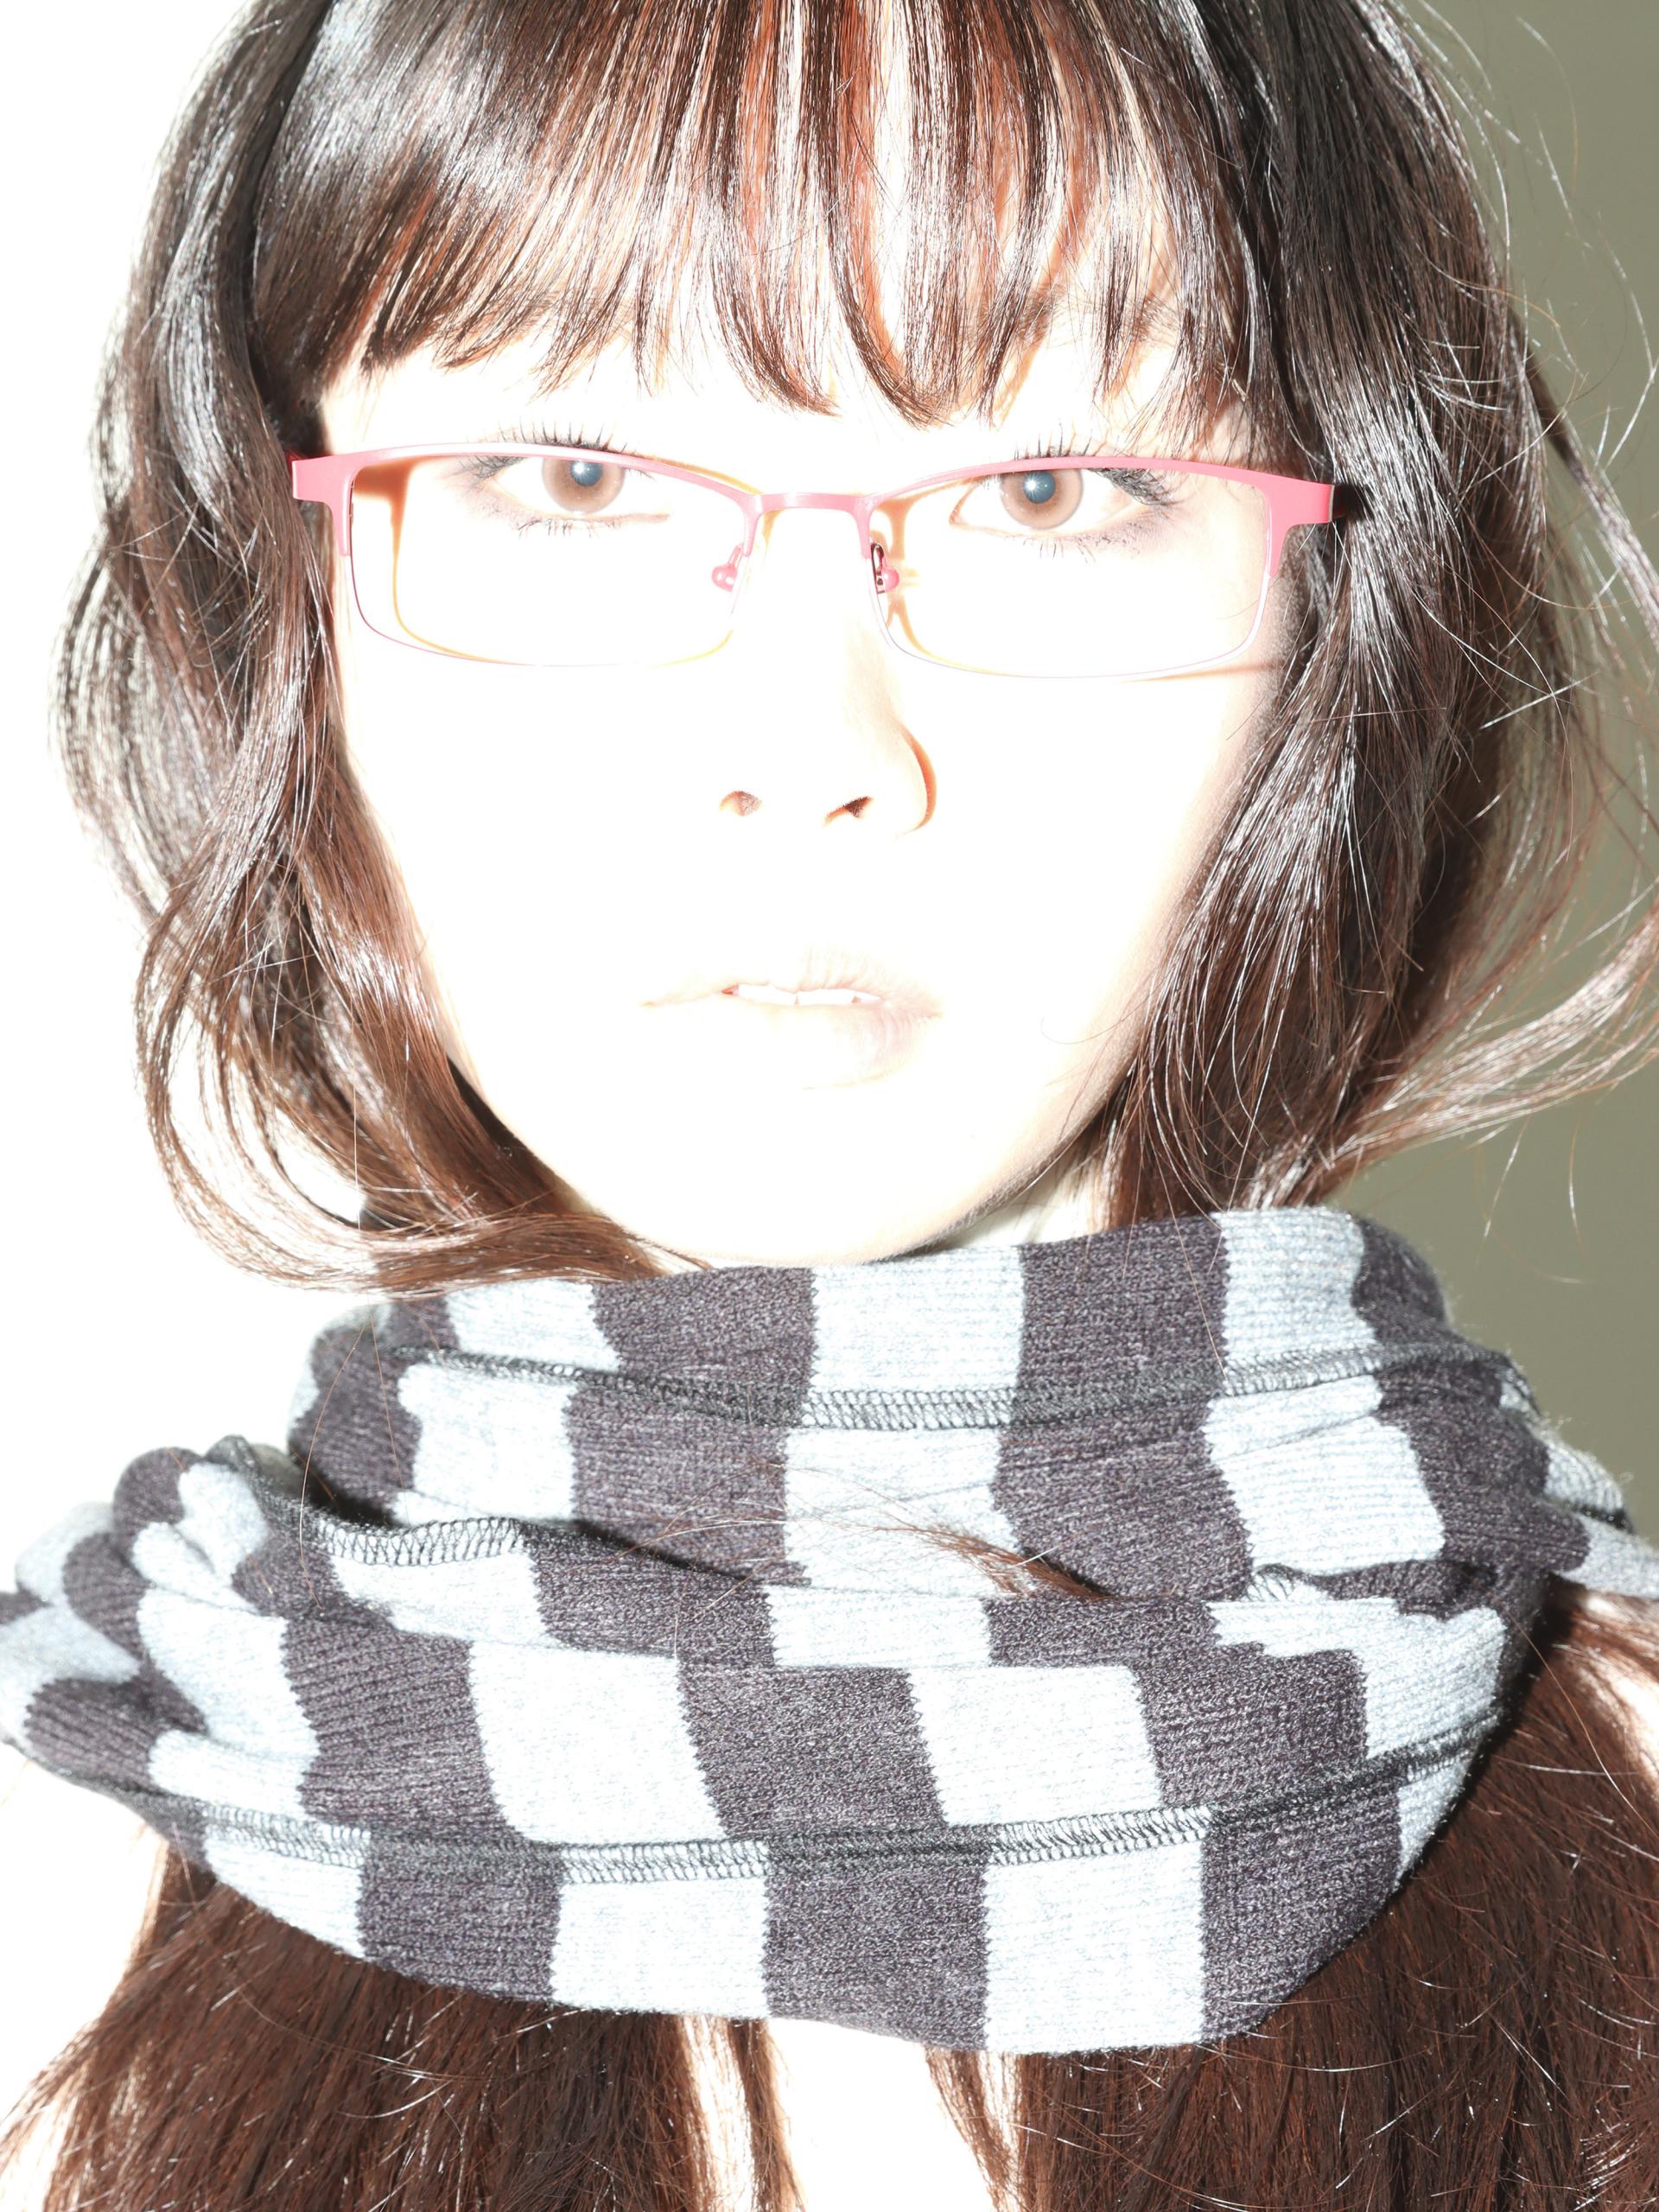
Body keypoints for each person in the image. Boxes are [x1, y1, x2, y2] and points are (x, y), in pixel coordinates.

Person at [1, 0, 1656, 2204]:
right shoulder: (55, 1883)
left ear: (1338, 628)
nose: (807, 747)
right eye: (575, 478)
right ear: (285, 591)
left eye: (1054, 492)